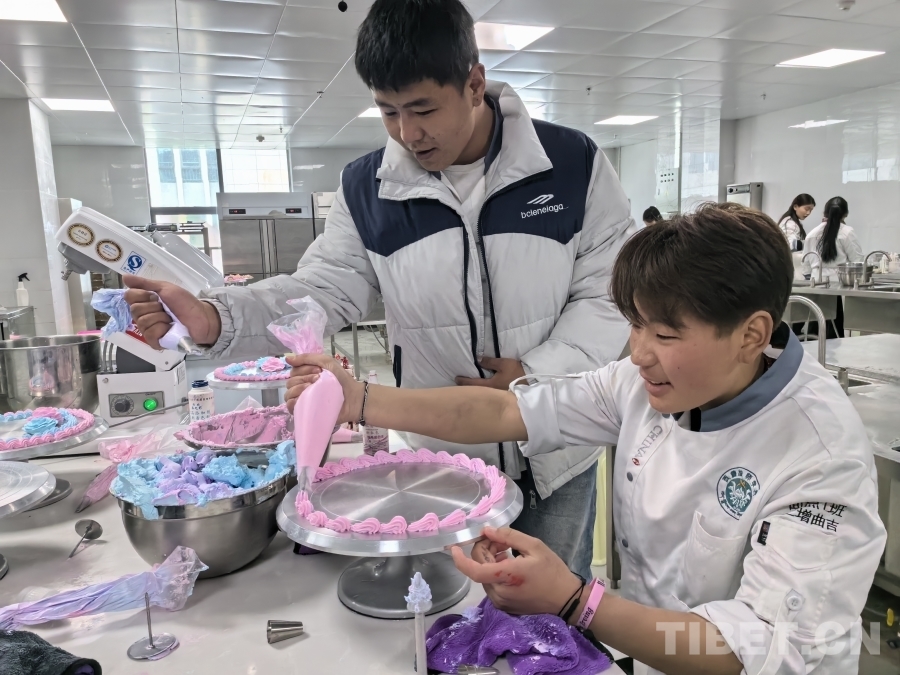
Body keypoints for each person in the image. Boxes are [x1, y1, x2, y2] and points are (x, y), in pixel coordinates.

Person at [122, 0, 638, 581]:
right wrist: (214, 318)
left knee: (554, 606)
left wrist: (534, 381)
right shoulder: (368, 188)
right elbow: (321, 289)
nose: (408, 134)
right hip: (440, 460)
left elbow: (609, 293)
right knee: (445, 607)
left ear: (474, 84)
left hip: (555, 452)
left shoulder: (571, 164)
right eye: (388, 112)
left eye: (423, 109)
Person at [287, 203, 884, 675]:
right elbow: (506, 410)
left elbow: (752, 650)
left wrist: (577, 601)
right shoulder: (647, 383)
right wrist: (359, 400)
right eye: (635, 325)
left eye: (665, 334)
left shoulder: (817, 455)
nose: (639, 352)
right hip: (654, 650)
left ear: (751, 335)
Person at [803, 196, 863, 338]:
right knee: (835, 329)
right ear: (845, 214)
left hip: (815, 283)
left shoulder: (812, 233)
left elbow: (806, 264)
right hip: (838, 285)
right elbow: (858, 261)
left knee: (816, 325)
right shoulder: (847, 232)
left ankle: (813, 350)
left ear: (825, 213)